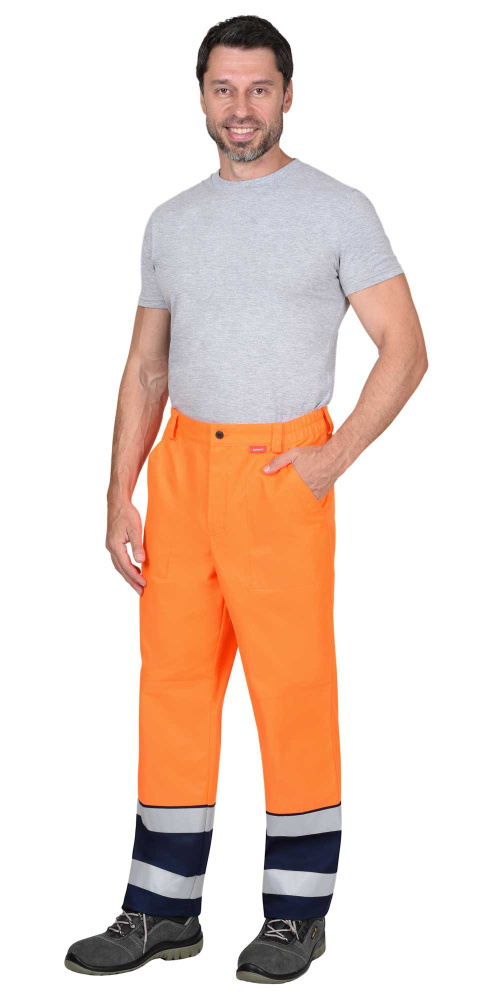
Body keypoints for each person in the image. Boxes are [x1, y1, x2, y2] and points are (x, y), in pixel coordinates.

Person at [65, 13, 428, 984]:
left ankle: (295, 918)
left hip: (280, 475)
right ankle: (160, 909)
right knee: (172, 690)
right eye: (223, 89)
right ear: (200, 96)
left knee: (292, 690)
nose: (240, 107)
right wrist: (118, 492)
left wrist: (331, 459)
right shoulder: (170, 222)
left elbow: (405, 348)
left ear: (288, 95)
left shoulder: (337, 209)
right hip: (183, 471)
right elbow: (146, 367)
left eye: (258, 88)